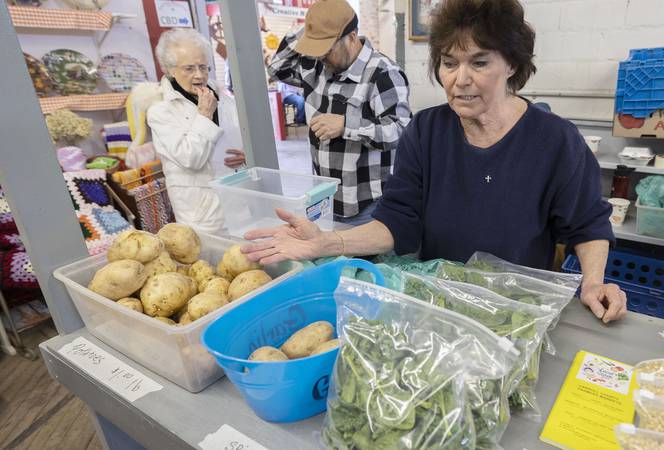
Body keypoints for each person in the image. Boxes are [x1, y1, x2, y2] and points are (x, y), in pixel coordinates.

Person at [243, 0, 627, 323]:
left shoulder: (555, 139)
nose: (460, 79)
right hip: (440, 306)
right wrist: (329, 242)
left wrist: (593, 283)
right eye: (448, 63)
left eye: (478, 63)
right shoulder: (427, 131)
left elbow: (587, 224)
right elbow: (397, 221)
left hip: (517, 312)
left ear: (511, 64)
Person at [267, 0, 412, 226]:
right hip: (324, 198)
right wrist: (312, 28)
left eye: (327, 49)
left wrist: (346, 125)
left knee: (362, 262)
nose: (321, 57)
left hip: (367, 205)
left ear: (352, 36)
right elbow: (277, 69)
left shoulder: (383, 73)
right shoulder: (316, 66)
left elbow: (401, 132)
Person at [147, 28, 246, 234]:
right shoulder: (160, 111)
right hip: (201, 212)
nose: (199, 75)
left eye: (203, 67)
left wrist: (247, 156)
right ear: (169, 69)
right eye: (189, 69)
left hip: (237, 201)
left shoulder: (222, 97)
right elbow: (190, 159)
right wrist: (204, 116)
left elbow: (239, 135)